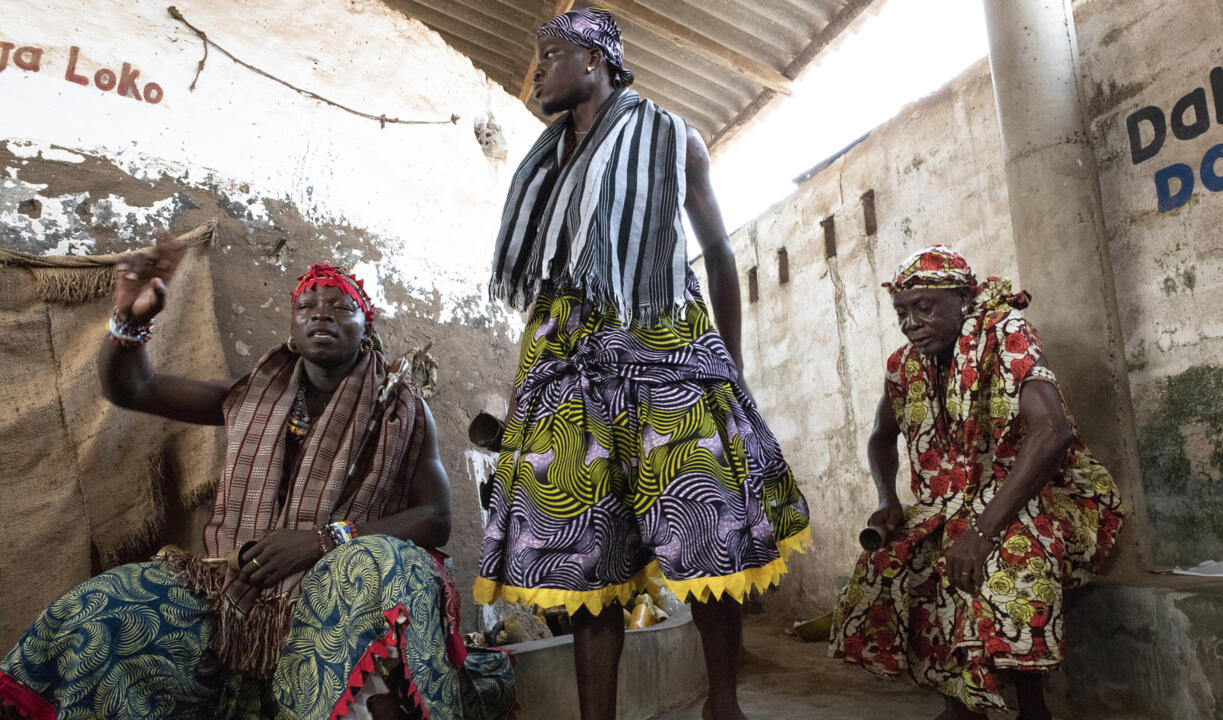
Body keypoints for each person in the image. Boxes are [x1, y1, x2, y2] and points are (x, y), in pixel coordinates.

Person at [0, 232, 515, 720]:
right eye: (306, 306)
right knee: (106, 607)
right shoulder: (248, 399)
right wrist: (128, 322)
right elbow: (133, 389)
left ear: (367, 326)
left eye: (340, 306)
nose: (321, 315)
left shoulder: (402, 409)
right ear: (292, 328)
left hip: (342, 588)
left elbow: (436, 518)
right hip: (236, 588)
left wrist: (321, 542)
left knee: (383, 563)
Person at [473, 9, 810, 720]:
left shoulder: (671, 137)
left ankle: (724, 704)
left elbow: (717, 252)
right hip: (565, 369)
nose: (539, 71)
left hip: (665, 355)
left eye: (553, 55)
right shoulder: (548, 159)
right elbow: (547, 286)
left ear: (596, 59)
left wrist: (732, 365)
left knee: (709, 533)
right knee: (585, 553)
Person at [828, 245, 1124, 719]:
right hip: (949, 502)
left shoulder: (1006, 334)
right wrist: (888, 499)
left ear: (964, 298)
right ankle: (961, 702)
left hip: (1032, 492)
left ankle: (1031, 704)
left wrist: (983, 531)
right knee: (899, 561)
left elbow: (1052, 432)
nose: (911, 323)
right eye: (902, 312)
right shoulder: (904, 366)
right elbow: (881, 438)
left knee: (1012, 551)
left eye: (924, 308)